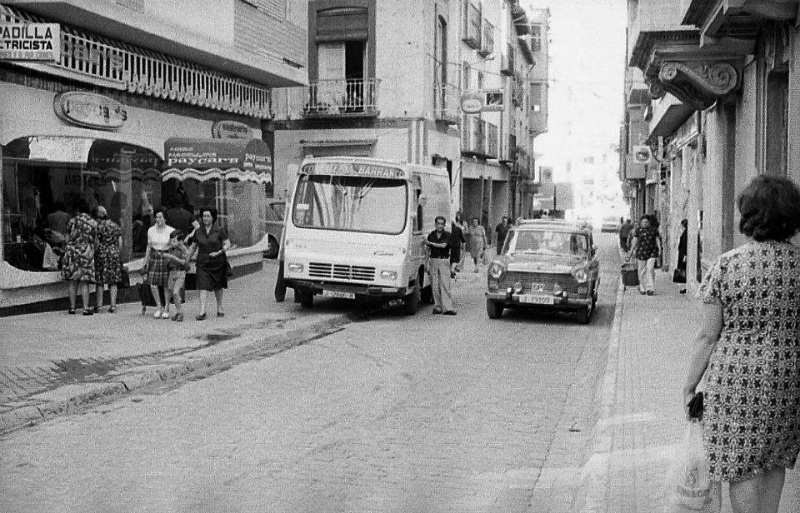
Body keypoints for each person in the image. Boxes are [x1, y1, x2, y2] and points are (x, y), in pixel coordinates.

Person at [682, 175, 800, 513]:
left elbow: (707, 336)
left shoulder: (728, 265)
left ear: (749, 216)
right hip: (787, 381)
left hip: (735, 383)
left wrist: (689, 386)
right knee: (774, 459)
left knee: (740, 464)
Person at [189, 207, 231, 320]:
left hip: (217, 262)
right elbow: (193, 247)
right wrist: (186, 259)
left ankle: (220, 306)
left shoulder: (219, 230)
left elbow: (227, 244)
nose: (205, 218)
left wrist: (219, 251)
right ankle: (202, 311)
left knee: (218, 286)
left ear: (213, 217)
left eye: (208, 216)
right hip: (202, 263)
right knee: (203, 286)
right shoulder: (198, 232)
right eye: (204, 216)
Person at [61, 199, 98, 315]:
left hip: (72, 252)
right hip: (86, 253)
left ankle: (72, 308)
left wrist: (70, 247)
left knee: (72, 281)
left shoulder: (72, 221)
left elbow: (66, 238)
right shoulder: (93, 222)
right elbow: (96, 241)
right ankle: (85, 308)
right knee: (84, 282)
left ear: (77, 210)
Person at [144, 207, 174, 319]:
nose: (158, 219)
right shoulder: (151, 230)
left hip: (166, 256)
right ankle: (158, 307)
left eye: (160, 217)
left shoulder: (170, 230)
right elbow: (148, 246)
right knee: (153, 283)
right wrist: (145, 261)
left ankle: (166, 308)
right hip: (154, 256)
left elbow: (174, 245)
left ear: (165, 218)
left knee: (166, 284)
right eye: (156, 217)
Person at [92, 206, 123, 313]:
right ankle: (113, 305)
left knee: (100, 280)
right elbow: (120, 242)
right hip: (113, 253)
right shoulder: (115, 225)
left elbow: (96, 242)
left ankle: (99, 305)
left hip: (101, 253)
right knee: (113, 280)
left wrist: (95, 252)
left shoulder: (98, 227)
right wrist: (117, 252)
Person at [425, 216, 456, 315]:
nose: (440, 226)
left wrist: (430, 243)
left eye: (442, 224)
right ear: (435, 224)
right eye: (438, 223)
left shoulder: (447, 235)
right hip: (433, 260)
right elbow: (427, 249)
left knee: (445, 284)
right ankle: (438, 306)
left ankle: (448, 308)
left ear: (444, 225)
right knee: (435, 285)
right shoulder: (431, 235)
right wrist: (426, 263)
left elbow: (444, 245)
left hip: (443, 261)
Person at [629, 214, 662, 295]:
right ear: (641, 222)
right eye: (643, 222)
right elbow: (634, 241)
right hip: (641, 253)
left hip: (652, 252)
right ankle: (642, 287)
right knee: (641, 270)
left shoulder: (654, 230)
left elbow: (657, 240)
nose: (645, 223)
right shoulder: (638, 231)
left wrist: (660, 249)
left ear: (649, 222)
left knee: (650, 269)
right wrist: (631, 252)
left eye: (646, 222)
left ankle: (650, 288)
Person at [162, 230, 190, 322]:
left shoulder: (184, 250)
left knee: (175, 292)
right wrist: (166, 260)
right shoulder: (171, 249)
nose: (172, 243)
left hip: (180, 273)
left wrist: (173, 258)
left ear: (180, 241)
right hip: (172, 273)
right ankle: (178, 311)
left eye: (174, 241)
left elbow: (185, 263)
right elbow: (168, 262)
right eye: (171, 241)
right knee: (173, 294)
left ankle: (180, 313)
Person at [449, 213, 465, 278]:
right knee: (456, 259)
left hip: (449, 245)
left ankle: (452, 271)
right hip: (456, 245)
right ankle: (452, 270)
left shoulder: (448, 229)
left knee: (451, 258)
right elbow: (462, 238)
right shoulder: (458, 229)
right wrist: (463, 244)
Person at [676, 218, 688, 294]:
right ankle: (683, 287)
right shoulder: (685, 232)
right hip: (682, 254)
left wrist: (685, 255)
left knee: (683, 270)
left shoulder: (685, 233)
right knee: (683, 270)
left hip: (683, 254)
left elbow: (685, 245)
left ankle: (684, 287)